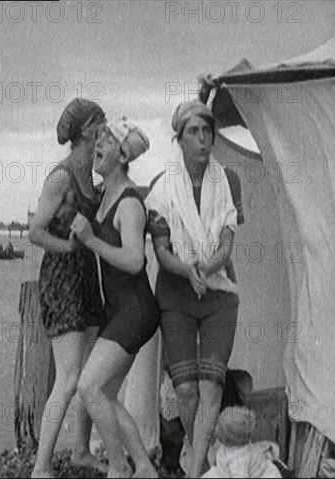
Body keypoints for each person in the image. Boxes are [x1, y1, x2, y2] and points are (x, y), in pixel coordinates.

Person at [145, 100, 244, 477]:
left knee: (212, 386)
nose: (203, 140)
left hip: (218, 293)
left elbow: (226, 243)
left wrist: (207, 269)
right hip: (176, 294)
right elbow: (161, 250)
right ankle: (200, 458)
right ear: (179, 139)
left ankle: (196, 470)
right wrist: (188, 272)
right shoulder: (162, 188)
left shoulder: (229, 181)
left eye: (207, 132)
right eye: (194, 133)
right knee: (185, 391)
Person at [70, 118, 159, 478]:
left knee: (88, 387)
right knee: (104, 394)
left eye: (106, 141)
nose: (98, 147)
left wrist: (91, 240)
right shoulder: (104, 194)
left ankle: (119, 467)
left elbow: (136, 260)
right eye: (97, 140)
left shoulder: (129, 204)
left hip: (136, 310)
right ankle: (144, 468)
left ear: (122, 155)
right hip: (120, 310)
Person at [29, 98, 108, 478]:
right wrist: (71, 247)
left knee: (90, 370)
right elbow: (35, 232)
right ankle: (41, 466)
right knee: (69, 375)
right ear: (87, 129)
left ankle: (80, 450)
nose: (105, 127)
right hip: (62, 277)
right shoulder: (61, 177)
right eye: (101, 121)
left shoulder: (93, 176)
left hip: (87, 276)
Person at [202, 406, 282, 478]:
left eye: (218, 427)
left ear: (227, 439)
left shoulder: (239, 460)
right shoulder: (236, 444)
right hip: (227, 471)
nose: (215, 428)